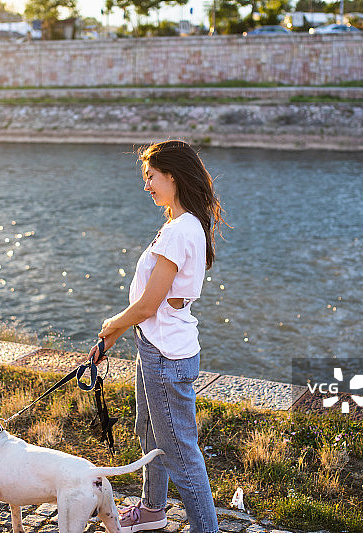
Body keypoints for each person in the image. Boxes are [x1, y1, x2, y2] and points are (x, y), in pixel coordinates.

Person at [88, 140, 225, 533]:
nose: (146, 185)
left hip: (166, 356)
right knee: (149, 433)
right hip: (154, 346)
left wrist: (112, 324)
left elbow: (149, 305)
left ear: (173, 176)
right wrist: (115, 336)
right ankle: (152, 511)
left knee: (181, 454)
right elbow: (158, 307)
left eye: (151, 176)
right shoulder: (179, 224)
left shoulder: (181, 231)